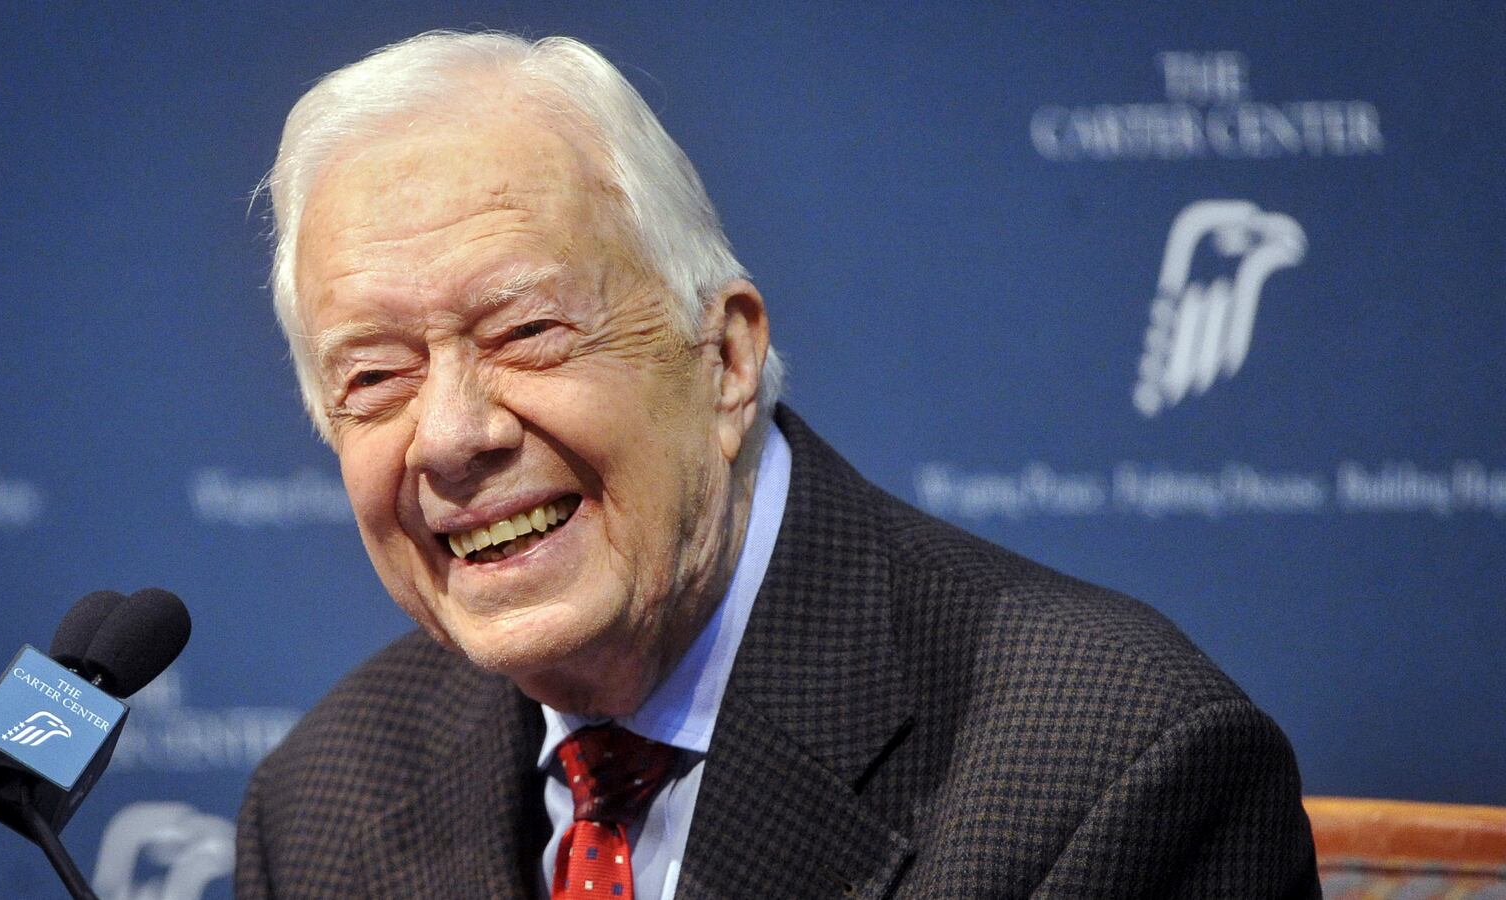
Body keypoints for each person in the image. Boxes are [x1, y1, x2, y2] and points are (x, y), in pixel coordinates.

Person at [236, 31, 1319, 899]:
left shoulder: (1109, 766)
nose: (450, 435)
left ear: (725, 359)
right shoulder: (321, 803)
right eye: (375, 378)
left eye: (525, 332)